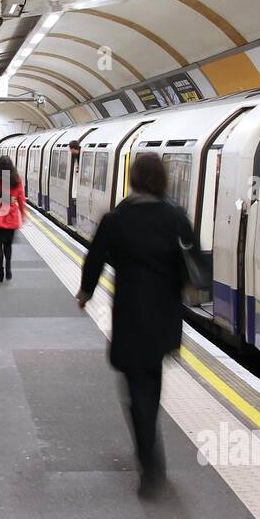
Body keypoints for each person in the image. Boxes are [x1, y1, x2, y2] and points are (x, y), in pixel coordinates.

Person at [76, 153, 195, 499]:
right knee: (151, 386)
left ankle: (149, 464)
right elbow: (193, 265)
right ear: (162, 180)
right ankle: (152, 460)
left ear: (133, 179)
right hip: (163, 319)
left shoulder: (118, 219)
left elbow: (94, 259)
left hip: (129, 318)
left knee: (135, 392)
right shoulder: (176, 218)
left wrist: (85, 294)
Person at [0, 155, 26, 282]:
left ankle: (0, 272)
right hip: (11, 217)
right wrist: (23, 214)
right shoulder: (17, 179)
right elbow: (21, 199)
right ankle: (8, 268)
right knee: (8, 245)